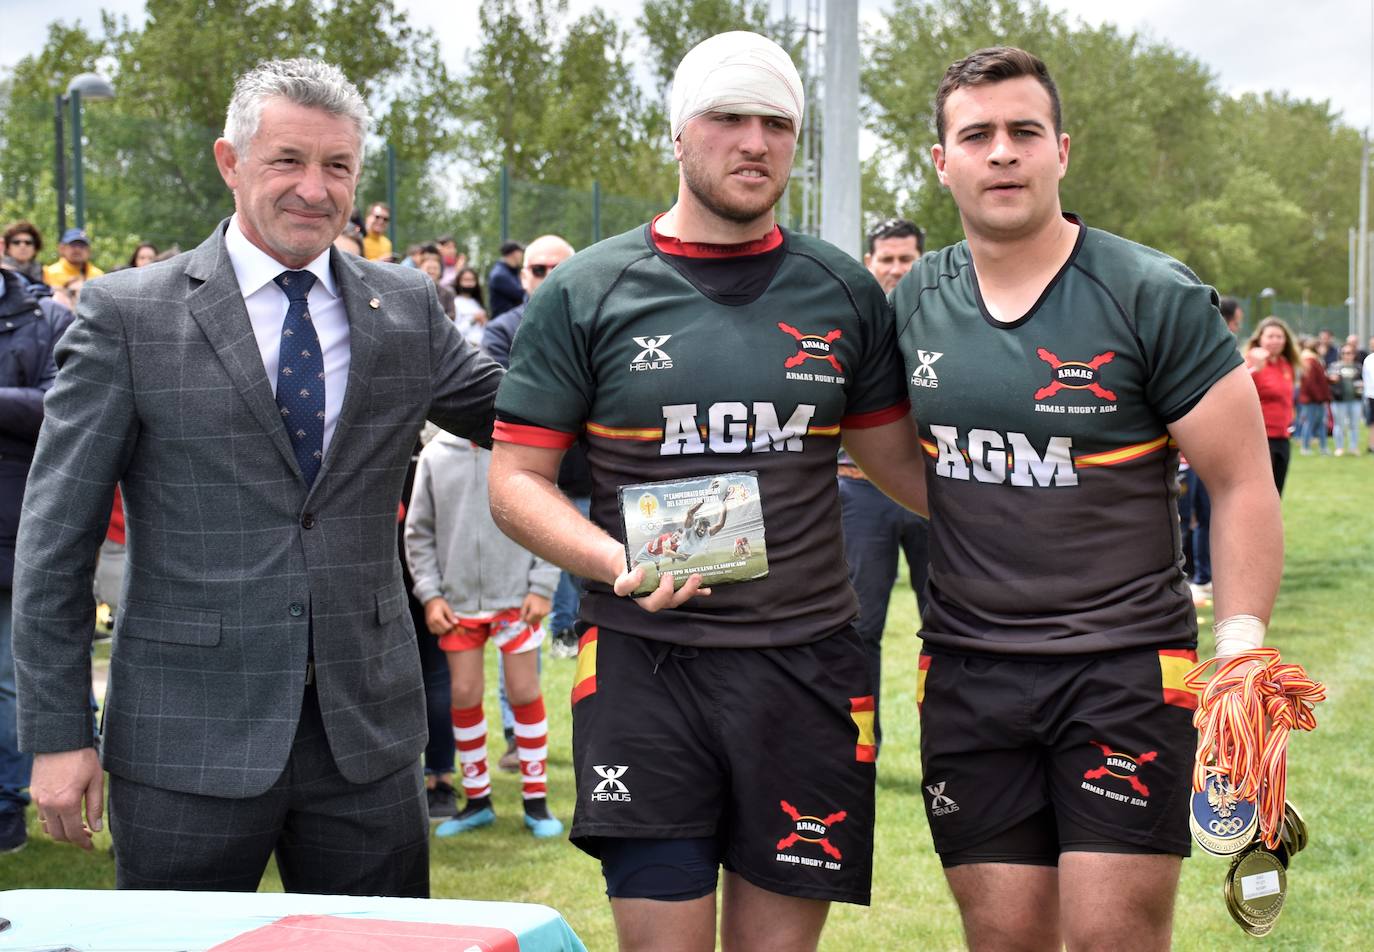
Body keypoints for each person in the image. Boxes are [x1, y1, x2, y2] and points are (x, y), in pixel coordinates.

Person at [13, 57, 503, 896]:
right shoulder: (129, 314)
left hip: (367, 744)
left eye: (337, 166)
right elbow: (56, 538)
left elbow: (526, 423)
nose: (315, 189)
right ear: (230, 161)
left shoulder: (408, 308)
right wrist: (59, 735)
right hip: (184, 739)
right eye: (288, 161)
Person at [487, 31, 926, 952]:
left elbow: (906, 472)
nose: (754, 142)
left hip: (806, 666)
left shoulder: (843, 290)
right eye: (727, 118)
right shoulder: (588, 289)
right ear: (679, 134)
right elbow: (515, 484)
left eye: (777, 124)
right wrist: (620, 562)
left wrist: (1078, 485)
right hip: (646, 668)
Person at [889, 47, 1282, 952]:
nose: (1002, 153)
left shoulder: (1153, 294)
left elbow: (1239, 482)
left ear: (1062, 150)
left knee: (1112, 938)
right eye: (976, 135)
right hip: (966, 670)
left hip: (1122, 671)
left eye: (1024, 132)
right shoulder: (913, 301)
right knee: (1006, 938)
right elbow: (877, 449)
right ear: (941, 161)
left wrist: (1242, 649)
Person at [404, 429, 563, 839]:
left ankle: (536, 801)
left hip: (517, 599)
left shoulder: (523, 451)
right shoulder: (435, 455)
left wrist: (543, 586)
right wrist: (430, 595)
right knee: (464, 694)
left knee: (525, 693)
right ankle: (477, 800)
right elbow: (418, 532)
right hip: (457, 605)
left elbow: (550, 518)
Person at [841, 216, 931, 747]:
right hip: (858, 489)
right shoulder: (849, 317)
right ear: (870, 263)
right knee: (859, 626)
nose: (897, 269)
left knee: (949, 624)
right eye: (887, 260)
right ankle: (858, 743)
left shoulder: (950, 313)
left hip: (932, 490)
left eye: (907, 259)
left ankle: (948, 741)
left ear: (922, 259)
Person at [0, 267, 72, 853]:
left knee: (9, 679)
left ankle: (5, 809)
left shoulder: (47, 318)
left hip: (17, 523)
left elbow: (61, 402)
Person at [1244, 316, 1299, 494]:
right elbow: (1237, 392)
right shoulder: (1251, 363)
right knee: (1261, 493)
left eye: (1279, 336)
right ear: (1260, 338)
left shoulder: (1285, 364)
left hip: (1282, 437)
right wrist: (1254, 369)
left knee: (1277, 491)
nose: (1275, 340)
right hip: (1261, 439)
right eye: (1270, 336)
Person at [1295, 338, 1332, 455]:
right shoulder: (1310, 361)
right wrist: (1319, 397)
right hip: (1312, 399)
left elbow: (1319, 379)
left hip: (1316, 398)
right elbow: (1310, 383)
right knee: (1309, 423)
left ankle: (1323, 447)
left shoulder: (1314, 360)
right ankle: (1305, 447)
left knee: (1321, 423)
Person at [1328, 341, 1364, 455]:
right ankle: (1339, 447)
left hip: (1355, 401)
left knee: (1354, 425)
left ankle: (1353, 447)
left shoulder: (1359, 367)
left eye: (1349, 353)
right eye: (1344, 353)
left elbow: (1365, 381)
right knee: (1339, 425)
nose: (1347, 355)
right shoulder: (1334, 367)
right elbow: (1328, 381)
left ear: (1354, 354)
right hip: (1339, 401)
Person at [487, 240, 526, 319]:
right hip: (504, 324)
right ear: (515, 254)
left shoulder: (511, 271)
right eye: (521, 252)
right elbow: (521, 294)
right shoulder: (500, 275)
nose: (522, 255)